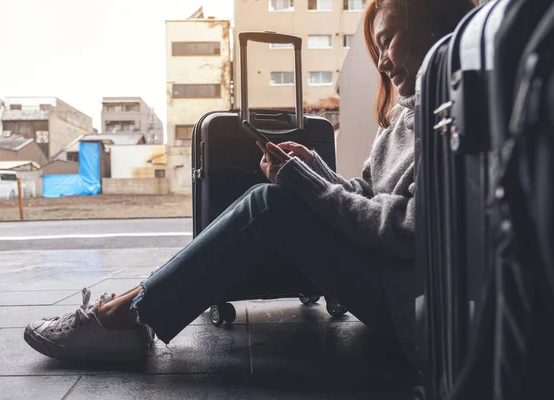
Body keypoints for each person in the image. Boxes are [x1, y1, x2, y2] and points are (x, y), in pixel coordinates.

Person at [24, 0, 476, 365]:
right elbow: (370, 193)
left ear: (431, 25)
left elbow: (408, 231)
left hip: (410, 308)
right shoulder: (406, 114)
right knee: (276, 199)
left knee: (270, 206)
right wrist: (315, 169)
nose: (380, 60)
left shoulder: (456, 117)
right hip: (385, 282)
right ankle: (132, 306)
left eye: (386, 41)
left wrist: (306, 185)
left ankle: (127, 316)